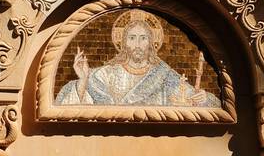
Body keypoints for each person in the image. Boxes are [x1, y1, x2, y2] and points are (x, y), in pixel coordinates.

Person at [55, 9, 219, 108]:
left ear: (151, 43)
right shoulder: (107, 74)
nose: (138, 44)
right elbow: (65, 104)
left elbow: (191, 97)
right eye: (132, 38)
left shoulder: (163, 74)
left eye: (143, 38)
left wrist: (203, 98)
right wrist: (83, 80)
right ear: (124, 42)